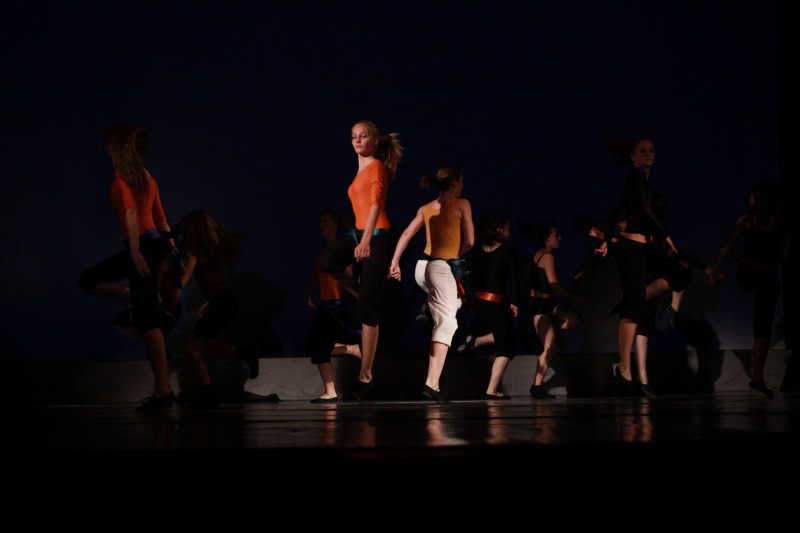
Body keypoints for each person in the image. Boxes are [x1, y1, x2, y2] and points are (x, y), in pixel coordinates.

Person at [318, 120, 404, 400]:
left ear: (374, 141)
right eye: (353, 136)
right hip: (359, 234)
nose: (357, 140)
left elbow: (376, 204)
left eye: (363, 136)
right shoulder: (360, 169)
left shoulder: (376, 166)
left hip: (378, 236)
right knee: (328, 261)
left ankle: (365, 376)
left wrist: (366, 240)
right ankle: (362, 292)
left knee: (369, 308)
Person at [97, 124, 180, 412]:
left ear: (120, 150)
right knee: (94, 283)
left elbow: (134, 213)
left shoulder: (125, 175)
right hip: (154, 245)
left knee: (146, 320)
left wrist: (134, 250)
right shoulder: (146, 176)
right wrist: (172, 252)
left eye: (112, 148)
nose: (110, 152)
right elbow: (162, 221)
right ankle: (144, 301)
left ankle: (163, 390)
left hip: (143, 246)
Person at [595, 135, 676, 398]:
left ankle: (627, 368)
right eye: (642, 151)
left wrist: (607, 240)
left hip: (641, 250)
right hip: (632, 249)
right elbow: (643, 209)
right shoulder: (636, 176)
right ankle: (624, 366)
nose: (648, 154)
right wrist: (665, 235)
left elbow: (611, 212)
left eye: (651, 150)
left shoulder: (639, 181)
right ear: (633, 156)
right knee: (634, 306)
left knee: (641, 302)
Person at [389, 165, 475, 404]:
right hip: (440, 267)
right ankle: (431, 383)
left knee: (452, 305)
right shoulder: (462, 204)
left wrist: (395, 262)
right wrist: (456, 257)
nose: (463, 186)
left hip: (421, 268)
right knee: (447, 324)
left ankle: (428, 307)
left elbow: (406, 234)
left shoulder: (425, 208)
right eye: (461, 182)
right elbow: (470, 241)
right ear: (454, 183)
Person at [172, 208, 259, 409]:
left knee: (191, 349)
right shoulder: (209, 251)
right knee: (204, 341)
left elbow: (186, 278)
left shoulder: (195, 252)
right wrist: (211, 301)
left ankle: (210, 396)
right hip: (224, 301)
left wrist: (173, 290)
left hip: (222, 302)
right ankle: (244, 352)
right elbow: (217, 281)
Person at [711, 181, 790, 398]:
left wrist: (714, 271)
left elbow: (726, 247)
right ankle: (757, 378)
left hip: (746, 274)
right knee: (763, 327)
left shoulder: (747, 219)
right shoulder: (781, 224)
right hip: (765, 275)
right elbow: (784, 256)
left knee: (753, 273)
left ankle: (757, 380)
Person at [455, 214, 519, 400]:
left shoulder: (478, 252)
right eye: (507, 229)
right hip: (496, 302)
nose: (509, 233)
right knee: (506, 347)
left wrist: (469, 297)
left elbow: (464, 272)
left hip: (479, 303)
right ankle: (491, 390)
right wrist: (516, 302)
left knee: (506, 338)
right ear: (499, 230)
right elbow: (514, 279)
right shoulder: (507, 251)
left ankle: (477, 341)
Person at [518, 220, 584, 399]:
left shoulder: (540, 254)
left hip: (547, 303)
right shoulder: (547, 256)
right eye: (556, 235)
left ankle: (547, 333)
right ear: (547, 239)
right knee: (550, 346)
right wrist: (576, 296)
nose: (560, 238)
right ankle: (537, 385)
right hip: (539, 305)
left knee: (574, 320)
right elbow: (554, 284)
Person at [305, 209, 362, 404]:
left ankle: (330, 392)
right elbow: (318, 274)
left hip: (339, 305)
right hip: (326, 303)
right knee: (314, 346)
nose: (321, 225)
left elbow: (350, 276)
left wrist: (356, 296)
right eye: (321, 221)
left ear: (336, 225)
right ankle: (350, 349)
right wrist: (308, 292)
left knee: (319, 347)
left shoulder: (342, 248)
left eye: (326, 221)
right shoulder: (323, 249)